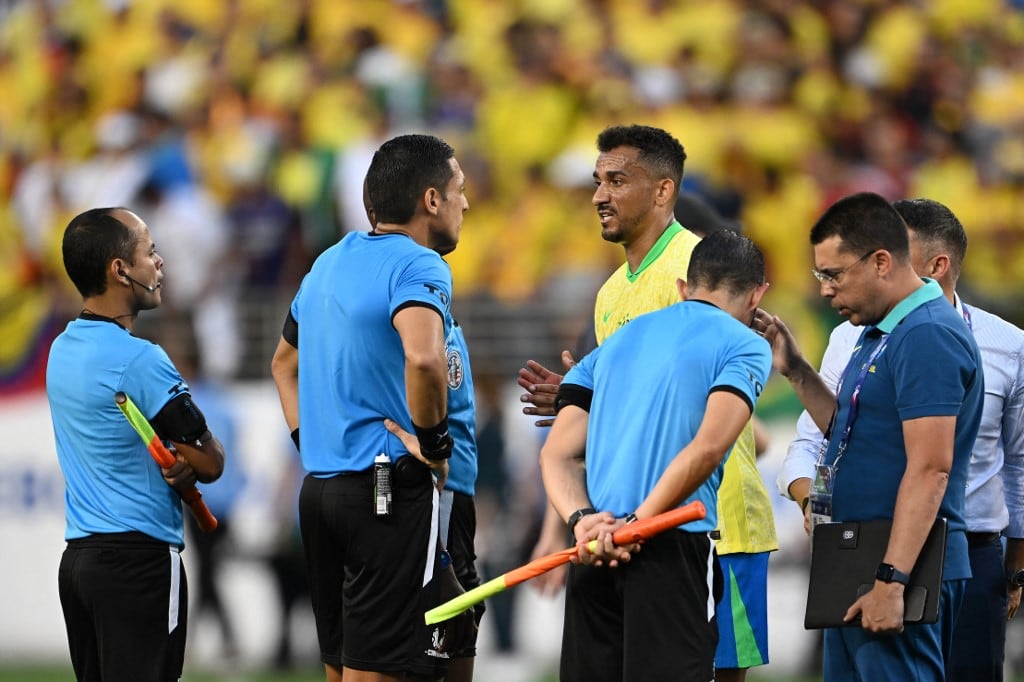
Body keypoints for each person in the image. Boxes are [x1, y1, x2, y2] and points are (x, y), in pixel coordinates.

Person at [518, 124, 777, 680]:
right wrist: (579, 400)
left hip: (711, 524)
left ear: (663, 192)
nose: (599, 195)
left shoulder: (696, 269)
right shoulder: (612, 291)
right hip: (626, 531)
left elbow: (719, 419)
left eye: (617, 180)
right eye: (597, 181)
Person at [778, 197, 1024, 681]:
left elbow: (931, 468)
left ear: (881, 262)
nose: (825, 291)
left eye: (834, 275)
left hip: (901, 562)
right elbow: (852, 431)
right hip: (859, 556)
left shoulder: (927, 334)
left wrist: (892, 580)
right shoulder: (877, 331)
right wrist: (796, 370)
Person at [270, 133, 473, 682]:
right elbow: (425, 358)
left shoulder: (326, 264)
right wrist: (434, 447)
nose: (466, 203)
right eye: (458, 190)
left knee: (339, 669)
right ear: (431, 200)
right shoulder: (420, 265)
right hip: (385, 487)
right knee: (380, 671)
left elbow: (282, 365)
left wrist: (308, 441)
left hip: (318, 491)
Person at [46, 207, 226, 682]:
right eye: (150, 252)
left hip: (80, 565)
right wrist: (189, 463)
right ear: (120, 270)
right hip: (138, 565)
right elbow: (210, 461)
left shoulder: (60, 349)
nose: (160, 262)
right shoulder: (141, 360)